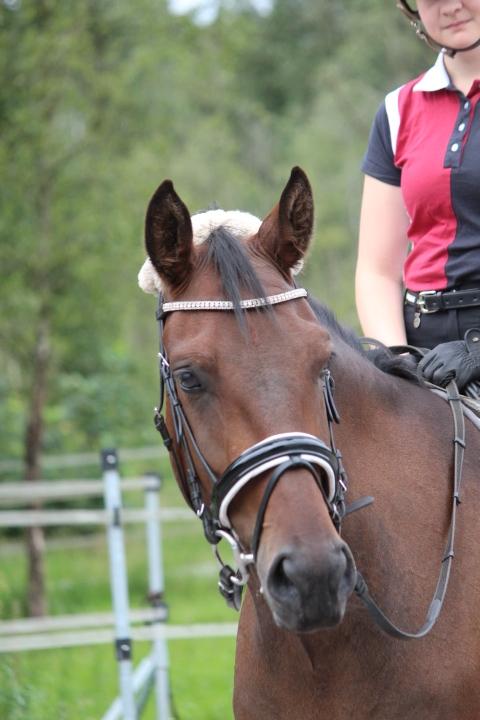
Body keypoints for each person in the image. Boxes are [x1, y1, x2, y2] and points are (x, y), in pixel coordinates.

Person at [355, 0, 480, 390]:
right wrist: (398, 364)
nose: (451, 6)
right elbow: (377, 270)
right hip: (422, 348)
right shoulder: (397, 110)